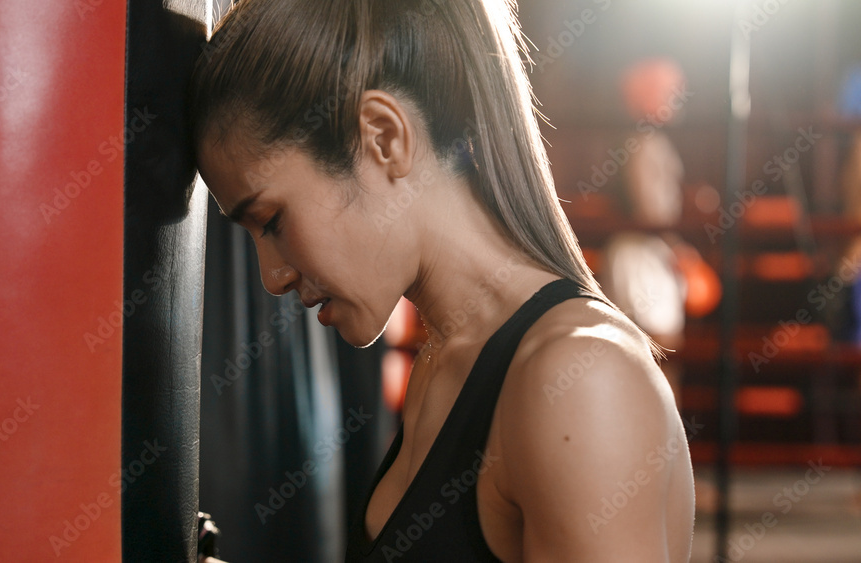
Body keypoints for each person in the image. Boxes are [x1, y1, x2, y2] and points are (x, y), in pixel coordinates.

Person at [190, 0, 695, 560]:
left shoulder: (580, 380)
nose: (273, 277)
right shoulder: (445, 362)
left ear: (384, 137)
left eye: (274, 221)